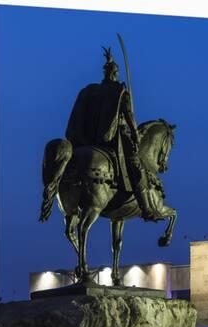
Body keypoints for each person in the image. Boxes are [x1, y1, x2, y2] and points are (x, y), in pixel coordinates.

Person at [65, 47, 156, 220]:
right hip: (115, 137)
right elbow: (130, 116)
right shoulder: (119, 91)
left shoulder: (90, 91)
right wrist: (136, 135)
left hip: (88, 138)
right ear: (115, 73)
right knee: (136, 165)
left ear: (105, 73)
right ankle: (146, 208)